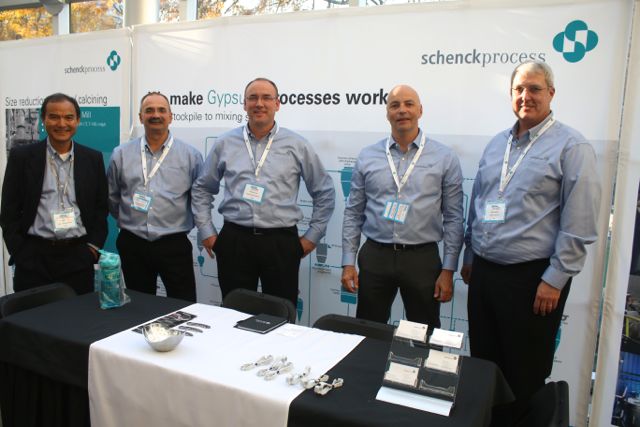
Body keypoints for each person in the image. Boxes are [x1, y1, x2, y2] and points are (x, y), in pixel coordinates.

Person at [461, 60, 601, 422]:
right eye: (519, 89)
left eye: (535, 89)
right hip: (485, 273)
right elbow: (479, 202)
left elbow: (580, 223)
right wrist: (470, 255)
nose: (526, 96)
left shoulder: (572, 146)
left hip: (532, 280)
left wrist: (555, 279)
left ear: (551, 93)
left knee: (523, 374)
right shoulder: (497, 144)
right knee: (484, 365)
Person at [191, 77, 335, 307]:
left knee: (281, 312)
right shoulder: (225, 143)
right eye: (253, 98)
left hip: (281, 243)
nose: (259, 103)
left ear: (277, 104)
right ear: (244, 104)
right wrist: (207, 231)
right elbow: (202, 188)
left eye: (266, 98)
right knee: (234, 311)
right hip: (235, 241)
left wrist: (312, 237)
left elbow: (324, 192)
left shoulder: (297, 145)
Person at [341, 84, 464, 327]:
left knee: (425, 332)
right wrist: (348, 262)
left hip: (422, 259)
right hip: (376, 256)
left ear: (420, 110)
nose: (402, 110)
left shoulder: (444, 157)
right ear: (387, 113)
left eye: (409, 104)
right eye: (395, 105)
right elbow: (353, 212)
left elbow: (453, 217)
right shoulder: (368, 156)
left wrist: (449, 270)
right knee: (368, 329)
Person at [0, 93, 108, 294]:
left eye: (68, 117)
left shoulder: (92, 158)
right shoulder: (21, 157)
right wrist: (20, 252)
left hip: (78, 258)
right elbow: (9, 211)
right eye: (54, 117)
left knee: (76, 313)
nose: (61, 124)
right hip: (33, 258)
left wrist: (92, 249)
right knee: (32, 313)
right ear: (44, 119)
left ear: (77, 120)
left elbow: (101, 208)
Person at [107, 92, 203, 302]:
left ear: (171, 116)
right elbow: (112, 197)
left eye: (161, 110)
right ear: (141, 117)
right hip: (133, 243)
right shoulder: (121, 154)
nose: (155, 115)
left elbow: (199, 199)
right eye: (149, 110)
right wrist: (130, 219)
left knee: (183, 305)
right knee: (140, 305)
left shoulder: (191, 156)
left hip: (173, 243)